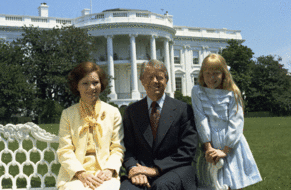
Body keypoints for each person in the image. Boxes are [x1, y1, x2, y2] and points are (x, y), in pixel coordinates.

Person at [120, 59, 198, 190]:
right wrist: (133, 168)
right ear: (142, 81)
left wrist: (156, 170)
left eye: (160, 77)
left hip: (175, 169)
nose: (155, 81)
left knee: (162, 186)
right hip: (141, 170)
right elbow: (127, 148)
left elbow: (188, 149)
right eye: (150, 77)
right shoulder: (131, 111)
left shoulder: (183, 109)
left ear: (166, 80)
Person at [191, 54, 262, 190]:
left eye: (216, 73)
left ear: (223, 74)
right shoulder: (197, 91)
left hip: (231, 143)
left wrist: (226, 150)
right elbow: (200, 118)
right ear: (202, 74)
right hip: (209, 143)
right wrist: (208, 147)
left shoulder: (232, 92)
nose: (211, 78)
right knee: (214, 183)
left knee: (234, 182)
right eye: (208, 73)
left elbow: (236, 121)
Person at [57, 62, 125, 190]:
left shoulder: (113, 112)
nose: (91, 88)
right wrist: (81, 173)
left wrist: (109, 170)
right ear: (77, 86)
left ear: (101, 84)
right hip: (75, 175)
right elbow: (64, 150)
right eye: (85, 83)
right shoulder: (68, 114)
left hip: (104, 173)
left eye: (95, 83)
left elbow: (118, 148)